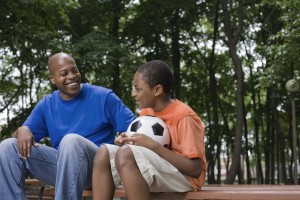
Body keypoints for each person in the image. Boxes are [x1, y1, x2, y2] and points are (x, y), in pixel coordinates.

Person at [0, 52, 136, 200]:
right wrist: (23, 129)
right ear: (53, 79)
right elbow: (21, 143)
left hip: (99, 171)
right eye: (64, 73)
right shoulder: (47, 104)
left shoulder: (104, 97)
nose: (72, 76)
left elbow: (136, 130)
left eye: (75, 70)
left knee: (71, 141)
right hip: (63, 171)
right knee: (7, 146)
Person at [92, 60, 206, 200]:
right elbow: (143, 152)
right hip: (158, 170)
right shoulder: (146, 113)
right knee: (104, 152)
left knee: (126, 154)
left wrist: (152, 145)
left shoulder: (183, 116)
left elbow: (195, 169)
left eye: (138, 89)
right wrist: (129, 140)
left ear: (157, 90)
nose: (133, 94)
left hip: (185, 178)